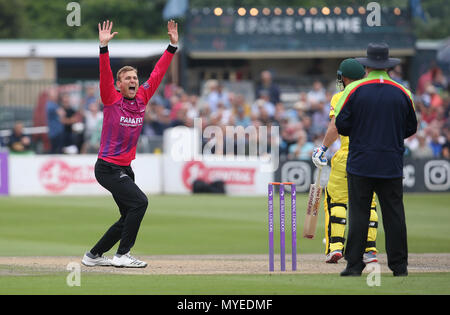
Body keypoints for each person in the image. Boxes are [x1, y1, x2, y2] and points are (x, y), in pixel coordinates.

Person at [81, 20, 178, 268]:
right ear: (119, 84)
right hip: (107, 168)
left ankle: (93, 255)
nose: (133, 80)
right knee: (140, 203)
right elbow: (104, 74)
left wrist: (172, 46)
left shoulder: (143, 96)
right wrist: (103, 48)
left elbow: (158, 73)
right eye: (128, 78)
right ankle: (122, 255)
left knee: (128, 214)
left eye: (135, 77)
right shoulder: (111, 98)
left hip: (125, 168)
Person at [334, 43, 417, 276]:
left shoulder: (354, 90)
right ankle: (399, 267)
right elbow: (411, 127)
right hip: (390, 162)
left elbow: (341, 124)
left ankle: (354, 266)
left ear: (367, 65)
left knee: (359, 214)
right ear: (388, 66)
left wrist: (364, 133)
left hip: (360, 161)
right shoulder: (403, 92)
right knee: (394, 215)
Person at [312, 59, 379, 264]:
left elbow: (336, 125)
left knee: (336, 200)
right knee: (370, 203)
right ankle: (369, 250)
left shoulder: (341, 96)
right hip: (372, 155)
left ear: (346, 78)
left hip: (347, 154)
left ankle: (335, 247)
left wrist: (322, 148)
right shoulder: (376, 95)